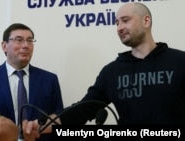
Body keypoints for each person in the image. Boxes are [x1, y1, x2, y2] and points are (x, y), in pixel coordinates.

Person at [39, 2, 185, 133]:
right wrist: (41, 126)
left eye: (125, 20)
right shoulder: (112, 72)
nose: (120, 27)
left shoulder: (180, 61)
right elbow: (83, 109)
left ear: (146, 21)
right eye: (117, 23)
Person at [0, 23, 64, 141]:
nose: (26, 45)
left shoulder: (49, 80)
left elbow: (58, 120)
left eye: (30, 41)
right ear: (4, 46)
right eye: (19, 40)